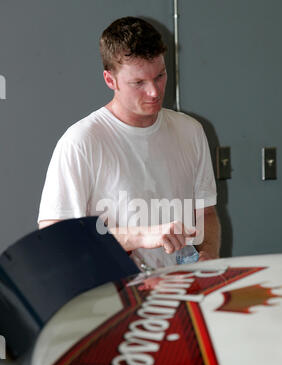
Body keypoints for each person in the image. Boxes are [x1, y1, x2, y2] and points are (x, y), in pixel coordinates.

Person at [38, 16, 220, 269]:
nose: (154, 92)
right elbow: (54, 238)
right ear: (110, 80)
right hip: (113, 296)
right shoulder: (81, 141)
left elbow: (206, 214)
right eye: (139, 83)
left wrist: (209, 253)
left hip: (184, 290)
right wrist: (139, 236)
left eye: (160, 76)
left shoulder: (190, 131)